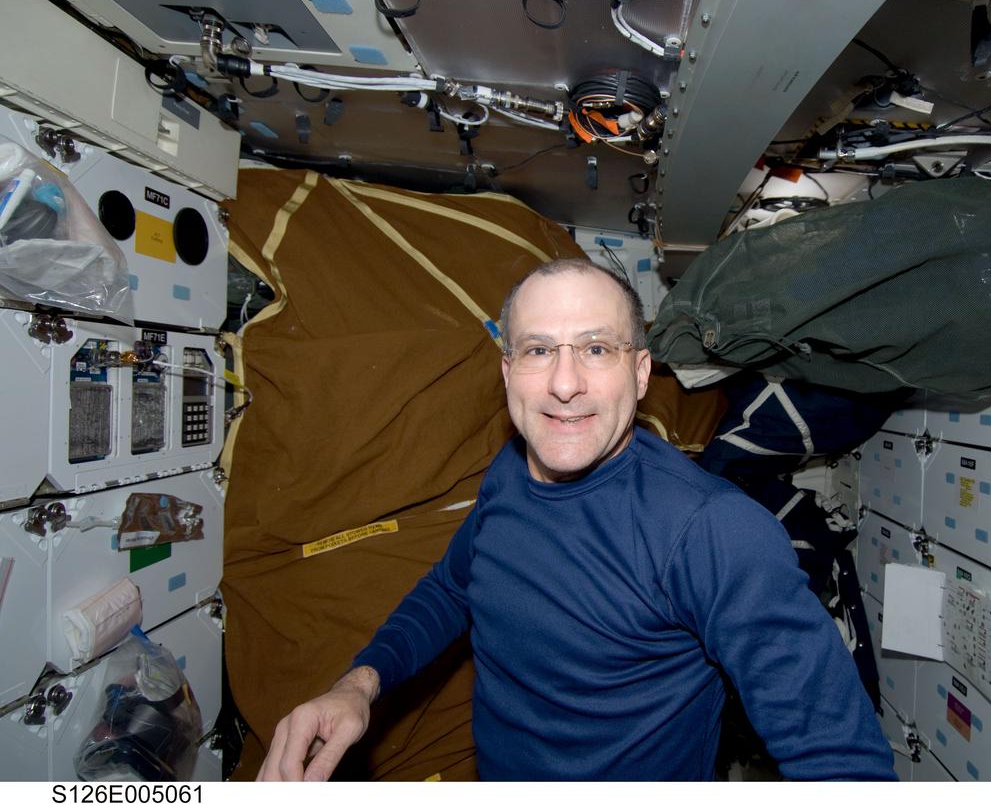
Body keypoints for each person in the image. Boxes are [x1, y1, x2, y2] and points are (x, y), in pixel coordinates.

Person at [257, 258, 895, 781]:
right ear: (508, 371)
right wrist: (359, 686)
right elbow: (452, 588)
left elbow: (841, 762)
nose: (564, 384)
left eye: (595, 348)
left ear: (640, 373)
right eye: (538, 350)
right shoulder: (511, 470)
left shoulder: (710, 530)